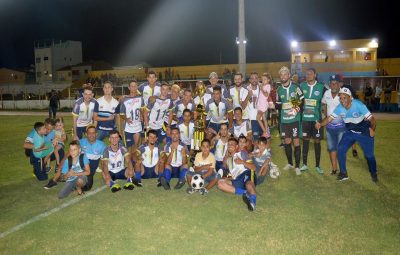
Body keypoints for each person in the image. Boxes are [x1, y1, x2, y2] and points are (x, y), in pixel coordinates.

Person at [316, 87, 378, 182]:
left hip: (364, 133)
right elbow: (329, 119)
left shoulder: (358, 105)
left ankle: (374, 173)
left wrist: (372, 129)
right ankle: (343, 173)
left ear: (350, 97)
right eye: (340, 98)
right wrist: (320, 124)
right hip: (350, 133)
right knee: (340, 149)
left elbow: (372, 119)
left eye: (345, 97)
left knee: (369, 156)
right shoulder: (340, 108)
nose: (342, 100)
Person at [275, 66, 304, 175]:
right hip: (284, 121)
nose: (283, 76)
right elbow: (278, 105)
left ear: (288, 75)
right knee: (287, 142)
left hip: (294, 120)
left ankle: (297, 166)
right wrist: (274, 105)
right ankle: (290, 163)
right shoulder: (279, 89)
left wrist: (295, 109)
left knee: (296, 142)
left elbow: (302, 101)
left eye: (285, 74)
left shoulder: (295, 87)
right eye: (281, 75)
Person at [218, 137, 257, 211]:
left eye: (232, 144)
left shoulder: (242, 153)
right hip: (236, 179)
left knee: (249, 184)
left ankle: (252, 202)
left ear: (236, 146)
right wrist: (227, 178)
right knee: (220, 183)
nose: (230, 146)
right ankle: (244, 192)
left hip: (246, 174)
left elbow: (254, 168)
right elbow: (230, 173)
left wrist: (242, 162)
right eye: (228, 144)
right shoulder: (227, 160)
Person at [299, 68, 325, 174]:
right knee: (305, 140)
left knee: (317, 141)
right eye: (307, 74)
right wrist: (298, 108)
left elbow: (326, 100)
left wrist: (325, 114)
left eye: (310, 73)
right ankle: (304, 164)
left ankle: (317, 166)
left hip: (316, 121)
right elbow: (296, 99)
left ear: (315, 75)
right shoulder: (301, 86)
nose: (308, 75)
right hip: (305, 119)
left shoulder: (321, 87)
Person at [321, 74, 347, 175]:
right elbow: (324, 104)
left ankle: (343, 170)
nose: (334, 85)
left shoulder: (344, 93)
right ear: (329, 85)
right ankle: (334, 169)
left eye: (336, 83)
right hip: (330, 127)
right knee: (332, 149)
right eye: (332, 84)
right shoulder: (326, 93)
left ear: (339, 84)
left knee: (341, 149)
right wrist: (325, 115)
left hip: (341, 127)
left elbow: (350, 105)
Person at [119, 80, 145, 159]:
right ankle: (129, 163)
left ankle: (134, 163)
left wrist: (142, 115)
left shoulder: (141, 98)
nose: (133, 88)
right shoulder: (124, 99)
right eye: (132, 86)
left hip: (138, 126)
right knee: (129, 149)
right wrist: (126, 119)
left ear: (137, 87)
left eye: (135, 86)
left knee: (135, 147)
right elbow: (121, 114)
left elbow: (143, 110)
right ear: (129, 87)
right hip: (128, 128)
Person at [79, 125, 106, 191]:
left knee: (87, 187)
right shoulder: (80, 142)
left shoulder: (102, 145)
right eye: (89, 133)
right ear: (86, 134)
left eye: (93, 133)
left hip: (90, 169)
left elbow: (104, 161)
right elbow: (71, 153)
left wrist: (105, 173)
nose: (91, 135)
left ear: (96, 134)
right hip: (81, 166)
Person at [245, 72, 262, 141]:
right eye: (252, 78)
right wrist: (248, 95)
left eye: (256, 78)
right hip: (250, 119)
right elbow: (243, 106)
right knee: (253, 139)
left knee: (264, 138)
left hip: (261, 118)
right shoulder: (246, 89)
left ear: (258, 79)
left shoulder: (261, 88)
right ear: (249, 80)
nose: (254, 80)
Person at [257, 72, 273, 139]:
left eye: (265, 79)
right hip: (261, 104)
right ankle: (266, 132)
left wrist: (261, 88)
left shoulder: (268, 86)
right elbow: (258, 83)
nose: (263, 80)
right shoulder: (263, 85)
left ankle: (265, 132)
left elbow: (266, 95)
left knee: (258, 118)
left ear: (268, 80)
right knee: (264, 119)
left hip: (262, 105)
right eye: (262, 79)